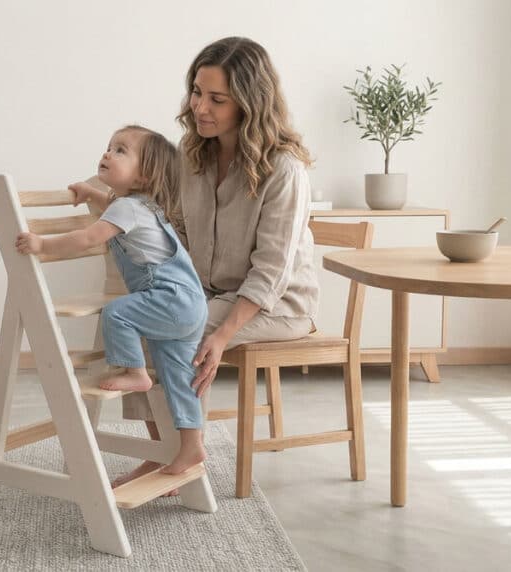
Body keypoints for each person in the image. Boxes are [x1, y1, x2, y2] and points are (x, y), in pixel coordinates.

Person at [113, 36, 320, 489]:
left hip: (277, 306)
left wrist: (224, 332)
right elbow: (179, 232)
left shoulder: (284, 170)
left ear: (250, 102)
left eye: (217, 99)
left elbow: (271, 271)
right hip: (210, 293)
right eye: (196, 92)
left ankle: (186, 449)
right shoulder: (192, 156)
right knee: (142, 317)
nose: (200, 107)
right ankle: (165, 448)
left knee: (185, 323)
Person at [15, 125, 209, 474]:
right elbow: (111, 207)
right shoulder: (139, 206)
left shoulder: (128, 210)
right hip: (188, 302)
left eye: (121, 151)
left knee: (117, 312)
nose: (108, 153)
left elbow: (90, 237)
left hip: (168, 296)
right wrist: (91, 193)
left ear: (144, 175)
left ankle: (134, 372)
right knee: (179, 378)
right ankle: (192, 446)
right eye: (109, 146)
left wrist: (43, 245)